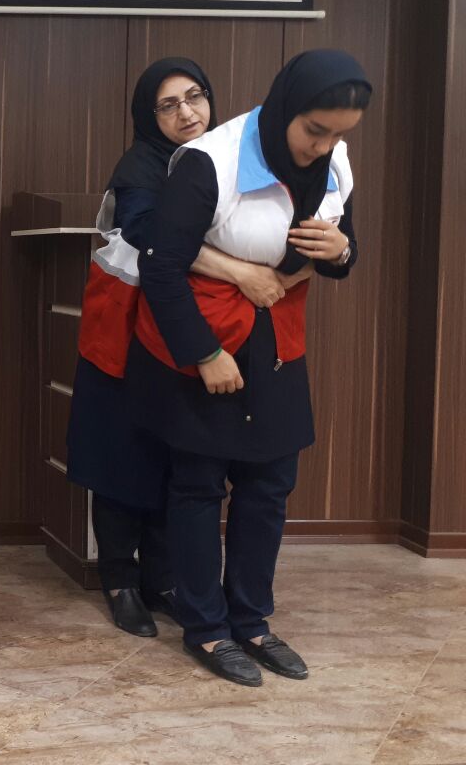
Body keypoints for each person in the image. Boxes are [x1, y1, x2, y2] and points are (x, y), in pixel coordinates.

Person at [130, 49, 368, 686]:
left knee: (269, 485)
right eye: (314, 130)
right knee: (199, 485)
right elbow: (160, 266)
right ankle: (206, 628)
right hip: (209, 335)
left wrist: (341, 250)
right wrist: (205, 355)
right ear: (286, 108)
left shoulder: (333, 160)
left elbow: (344, 253)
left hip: (279, 338)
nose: (324, 146)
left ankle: (253, 621)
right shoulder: (211, 160)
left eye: (338, 133)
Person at [67, 59, 290, 639]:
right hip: (127, 327)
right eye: (168, 105)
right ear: (149, 115)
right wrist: (239, 271)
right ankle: (120, 579)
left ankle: (162, 578)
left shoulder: (226, 157)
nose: (187, 112)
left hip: (188, 329)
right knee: (120, 454)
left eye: (195, 97)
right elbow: (152, 237)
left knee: (177, 454)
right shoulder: (141, 165)